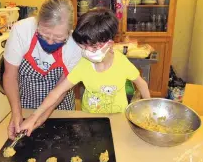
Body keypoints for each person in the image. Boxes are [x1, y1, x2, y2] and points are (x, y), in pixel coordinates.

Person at [20, 8, 151, 136]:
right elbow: (57, 92)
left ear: (109, 43)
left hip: (117, 119)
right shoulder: (83, 64)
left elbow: (141, 84)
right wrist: (34, 116)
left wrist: (148, 111)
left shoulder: (122, 63)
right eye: (83, 46)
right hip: (89, 119)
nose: (87, 51)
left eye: (93, 47)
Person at [3, 0, 82, 140]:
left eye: (58, 38)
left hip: (60, 105)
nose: (50, 42)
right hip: (26, 101)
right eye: (44, 35)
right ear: (38, 22)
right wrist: (16, 113)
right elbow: (9, 75)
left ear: (69, 31)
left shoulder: (75, 46)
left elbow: (61, 89)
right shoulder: (21, 31)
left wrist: (41, 117)